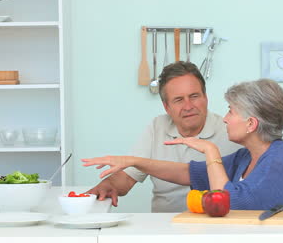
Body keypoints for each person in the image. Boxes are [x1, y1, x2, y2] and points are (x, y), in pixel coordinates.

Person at [83, 79, 283, 211]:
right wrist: (133, 162)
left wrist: (210, 150)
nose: (225, 118)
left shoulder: (278, 159)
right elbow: (188, 173)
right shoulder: (246, 157)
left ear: (251, 124)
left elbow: (227, 202)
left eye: (231, 111)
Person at [87, 62, 241, 212]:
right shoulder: (157, 126)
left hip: (215, 225)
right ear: (166, 106)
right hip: (164, 226)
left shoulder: (231, 131)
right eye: (179, 100)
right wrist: (108, 185)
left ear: (205, 98)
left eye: (194, 96)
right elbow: (128, 177)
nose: (188, 106)